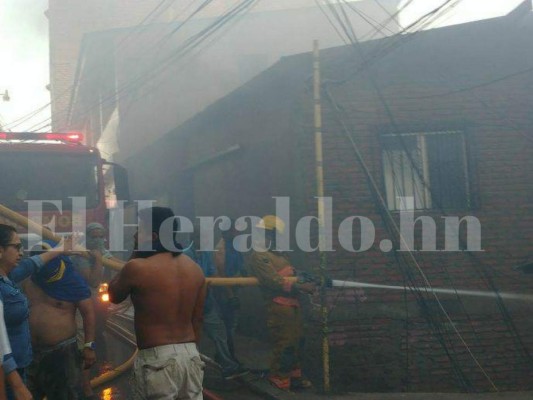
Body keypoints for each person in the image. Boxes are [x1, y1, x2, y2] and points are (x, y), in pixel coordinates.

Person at [108, 207, 206, 400]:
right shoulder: (195, 269)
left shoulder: (137, 267)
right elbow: (198, 319)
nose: (135, 234)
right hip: (191, 355)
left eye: (139, 230)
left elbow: (113, 295)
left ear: (153, 236)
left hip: (157, 358)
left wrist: (136, 252)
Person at [0, 224, 75, 400]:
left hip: (18, 368)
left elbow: (31, 264)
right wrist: (16, 383)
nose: (21, 252)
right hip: (7, 373)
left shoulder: (7, 277)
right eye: (16, 247)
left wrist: (60, 249)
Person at [248, 215, 315, 391]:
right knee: (285, 341)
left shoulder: (280, 254)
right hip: (278, 305)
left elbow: (290, 273)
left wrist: (302, 277)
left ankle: (294, 375)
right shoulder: (260, 255)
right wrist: (301, 286)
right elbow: (273, 280)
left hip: (293, 304)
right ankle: (279, 376)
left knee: (298, 340)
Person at [24, 240, 95, 400]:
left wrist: (89, 346)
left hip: (62, 354)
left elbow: (88, 313)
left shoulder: (72, 281)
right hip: (30, 353)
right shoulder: (28, 280)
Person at [184, 225, 248, 380]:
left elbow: (213, 274)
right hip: (189, 306)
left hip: (206, 303)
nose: (203, 241)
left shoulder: (206, 254)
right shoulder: (185, 255)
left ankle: (228, 366)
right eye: (200, 237)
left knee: (220, 333)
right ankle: (188, 369)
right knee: (190, 338)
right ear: (193, 238)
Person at [213, 219, 247, 361]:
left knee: (232, 325)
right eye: (234, 230)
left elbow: (240, 266)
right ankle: (228, 357)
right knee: (228, 327)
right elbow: (221, 275)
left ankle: (223, 356)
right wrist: (231, 295)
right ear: (226, 232)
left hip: (234, 289)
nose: (237, 232)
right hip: (225, 293)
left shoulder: (235, 246)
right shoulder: (221, 249)